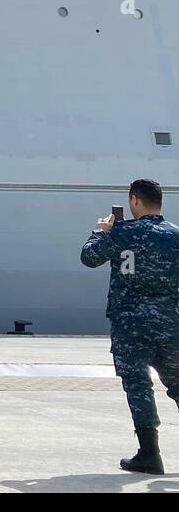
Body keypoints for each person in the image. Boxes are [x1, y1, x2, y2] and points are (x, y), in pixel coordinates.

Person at [80, 179, 179, 475]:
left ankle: (150, 454)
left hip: (131, 324)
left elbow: (89, 257)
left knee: (138, 386)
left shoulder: (122, 233)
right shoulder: (176, 235)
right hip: (172, 323)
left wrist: (100, 231)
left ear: (134, 200)